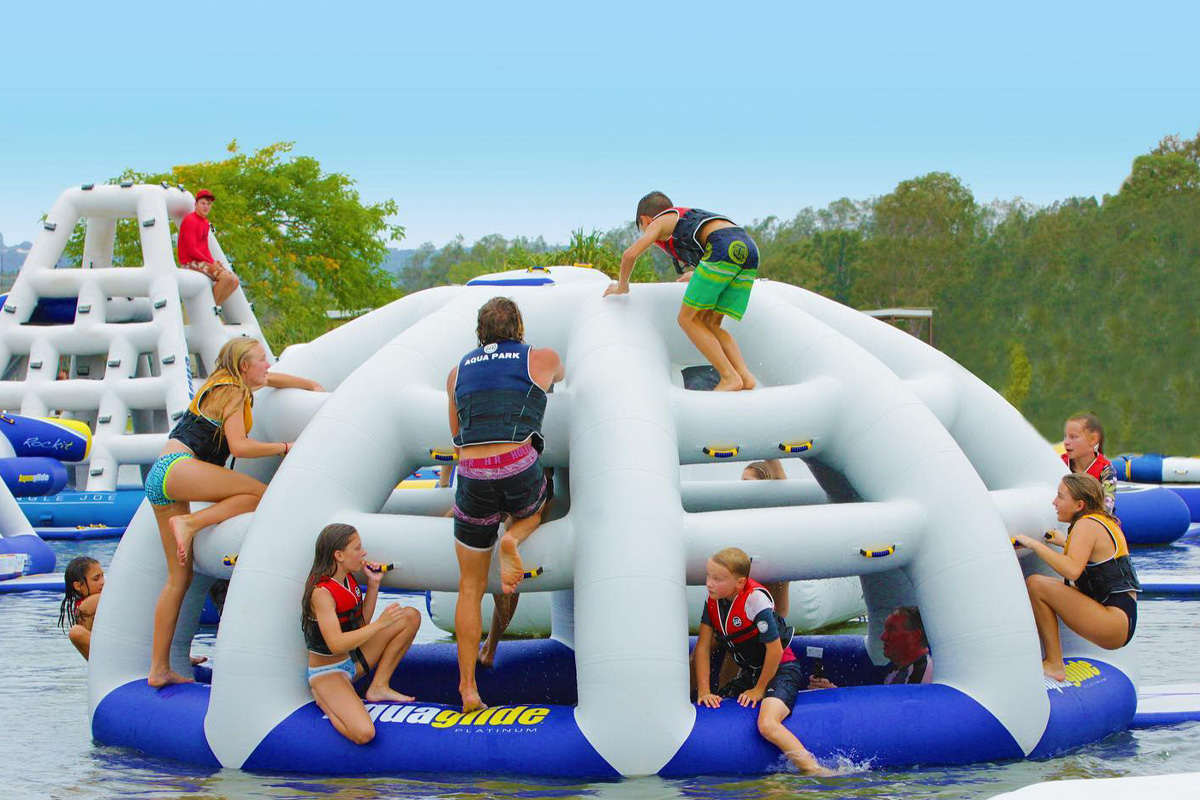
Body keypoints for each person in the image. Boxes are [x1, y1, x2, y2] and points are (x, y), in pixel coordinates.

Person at [146, 337, 323, 688]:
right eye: (262, 359)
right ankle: (192, 521)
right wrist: (285, 447)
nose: (268, 365)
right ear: (244, 366)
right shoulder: (235, 393)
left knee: (177, 580)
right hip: (179, 468)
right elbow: (240, 446)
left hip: (160, 476)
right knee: (258, 494)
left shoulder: (222, 381)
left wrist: (309, 384)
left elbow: (272, 380)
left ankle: (158, 668)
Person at [446, 297, 564, 711]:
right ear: (519, 325)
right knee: (539, 504)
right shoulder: (541, 356)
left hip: (473, 472)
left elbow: (458, 431)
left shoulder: (457, 370)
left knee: (469, 588)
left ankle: (467, 689)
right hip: (517, 462)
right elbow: (558, 379)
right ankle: (514, 537)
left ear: (479, 331)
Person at [694, 547, 831, 776]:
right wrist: (705, 691)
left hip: (782, 669)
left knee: (767, 725)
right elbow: (702, 647)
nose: (709, 583)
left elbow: (775, 651)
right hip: (753, 672)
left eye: (717, 579)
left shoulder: (755, 601)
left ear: (739, 584)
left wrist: (759, 690)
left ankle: (815, 770)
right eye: (708, 576)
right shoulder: (714, 601)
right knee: (722, 700)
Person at [603, 192, 759, 392]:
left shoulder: (659, 221)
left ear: (645, 219)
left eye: (643, 229)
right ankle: (745, 377)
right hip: (747, 249)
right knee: (711, 323)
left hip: (722, 246)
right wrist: (698, 274)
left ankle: (729, 377)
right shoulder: (683, 219)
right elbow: (713, 245)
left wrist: (622, 286)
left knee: (687, 319)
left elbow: (629, 255)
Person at [303, 523, 421, 744]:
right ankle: (323, 699)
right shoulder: (321, 593)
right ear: (339, 555)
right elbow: (336, 644)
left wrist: (374, 585)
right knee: (364, 734)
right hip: (328, 672)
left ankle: (379, 686)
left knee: (410, 616)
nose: (364, 552)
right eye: (357, 548)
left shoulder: (348, 579)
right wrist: (380, 624)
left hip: (353, 662)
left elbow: (361, 625)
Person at [1015, 473, 1141, 681]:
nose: (1054, 502)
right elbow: (1097, 560)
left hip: (1113, 622)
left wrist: (1034, 544)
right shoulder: (1101, 521)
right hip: (1122, 617)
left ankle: (1055, 664)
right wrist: (1064, 543)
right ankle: (1053, 662)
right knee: (1041, 584)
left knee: (1036, 585)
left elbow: (1072, 570)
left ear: (1079, 504)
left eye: (1061, 497)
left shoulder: (1086, 524)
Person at [807, 606, 933, 689]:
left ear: (915, 636)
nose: (883, 637)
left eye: (891, 630)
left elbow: (890, 718)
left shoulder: (922, 675)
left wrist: (836, 694)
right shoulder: (901, 669)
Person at [741, 460, 790, 617]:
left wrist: (765, 443)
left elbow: (780, 480)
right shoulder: (741, 508)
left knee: (777, 605)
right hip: (754, 554)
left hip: (773, 552)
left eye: (747, 482)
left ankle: (777, 635)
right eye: (741, 482)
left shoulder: (774, 504)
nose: (740, 487)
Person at [177, 189, 240, 306]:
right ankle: (210, 308)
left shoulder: (205, 223)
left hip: (202, 261)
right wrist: (211, 262)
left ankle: (213, 307)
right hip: (190, 262)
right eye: (203, 203)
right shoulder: (190, 220)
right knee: (226, 278)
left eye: (208, 204)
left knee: (234, 280)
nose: (206, 206)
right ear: (195, 205)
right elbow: (192, 250)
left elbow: (205, 248)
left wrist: (213, 261)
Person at [1062, 413, 1117, 515]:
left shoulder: (1106, 470)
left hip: (1093, 525)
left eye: (1073, 437)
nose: (1066, 442)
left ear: (1093, 439)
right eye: (1065, 436)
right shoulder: (1060, 464)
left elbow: (1106, 510)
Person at [59, 556, 103, 660]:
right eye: (96, 579)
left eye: (102, 576)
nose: (103, 582)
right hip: (109, 658)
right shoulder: (86, 605)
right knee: (76, 632)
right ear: (78, 586)